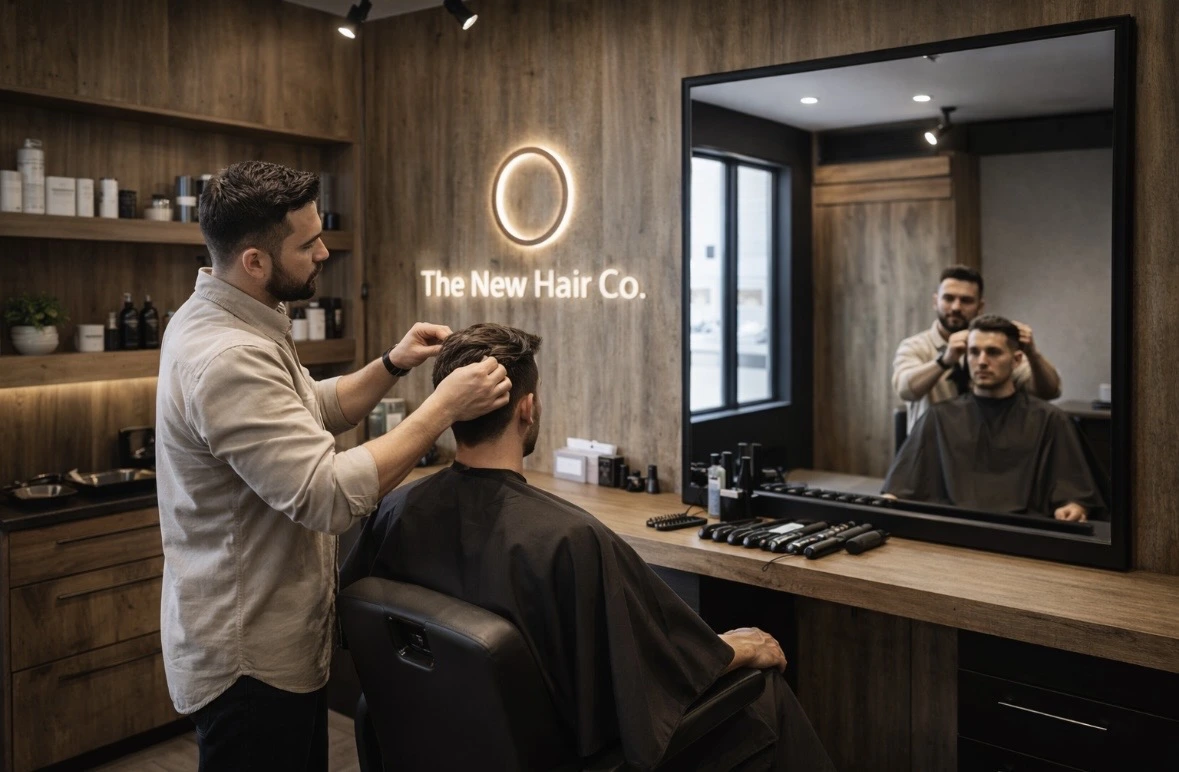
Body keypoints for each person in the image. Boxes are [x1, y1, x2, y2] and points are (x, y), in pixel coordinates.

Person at [340, 323, 835, 771]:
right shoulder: (569, 539)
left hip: (453, 743)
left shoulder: (396, 508)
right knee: (765, 693)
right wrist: (733, 648)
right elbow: (652, 674)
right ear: (528, 407)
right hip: (565, 756)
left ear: (448, 410)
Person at [156, 161, 513, 771]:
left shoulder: (234, 317)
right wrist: (441, 409)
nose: (324, 250)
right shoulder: (227, 356)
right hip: (251, 661)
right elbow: (325, 493)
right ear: (254, 262)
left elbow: (307, 409)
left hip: (266, 640)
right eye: (307, 243)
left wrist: (392, 364)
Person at [883, 315, 1102, 521]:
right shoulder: (939, 417)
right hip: (953, 530)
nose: (982, 361)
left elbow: (1074, 491)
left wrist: (1075, 508)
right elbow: (901, 486)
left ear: (1016, 360)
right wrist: (887, 503)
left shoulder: (1049, 419)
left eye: (993, 352)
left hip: (1026, 533)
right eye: (974, 352)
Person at [892, 265, 1062, 434]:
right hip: (933, 450)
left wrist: (1033, 354)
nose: (956, 307)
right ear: (935, 302)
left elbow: (1050, 392)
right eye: (949, 298)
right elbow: (905, 390)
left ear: (980, 307)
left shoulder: (996, 347)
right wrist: (944, 361)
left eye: (966, 300)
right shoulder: (914, 346)